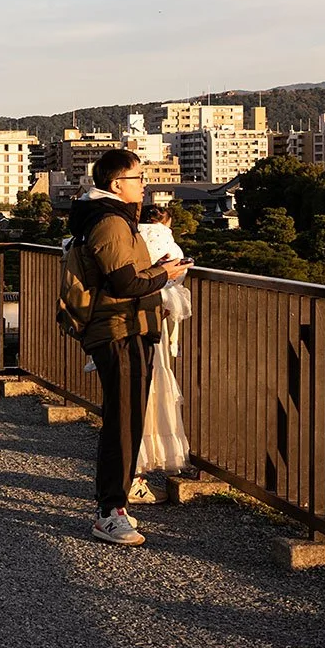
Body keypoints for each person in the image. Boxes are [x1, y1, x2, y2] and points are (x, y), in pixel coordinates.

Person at [69, 150, 189, 546]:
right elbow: (126, 283)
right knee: (123, 420)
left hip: (126, 327)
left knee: (126, 418)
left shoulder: (106, 217)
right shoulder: (110, 222)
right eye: (139, 178)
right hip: (119, 328)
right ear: (118, 183)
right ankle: (109, 511)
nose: (144, 185)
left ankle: (114, 506)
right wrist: (165, 273)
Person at [134, 203, 193, 492]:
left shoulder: (130, 234)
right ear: (165, 222)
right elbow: (176, 272)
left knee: (135, 394)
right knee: (151, 391)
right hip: (152, 319)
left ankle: (135, 469)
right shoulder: (163, 238)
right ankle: (138, 469)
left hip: (128, 318)